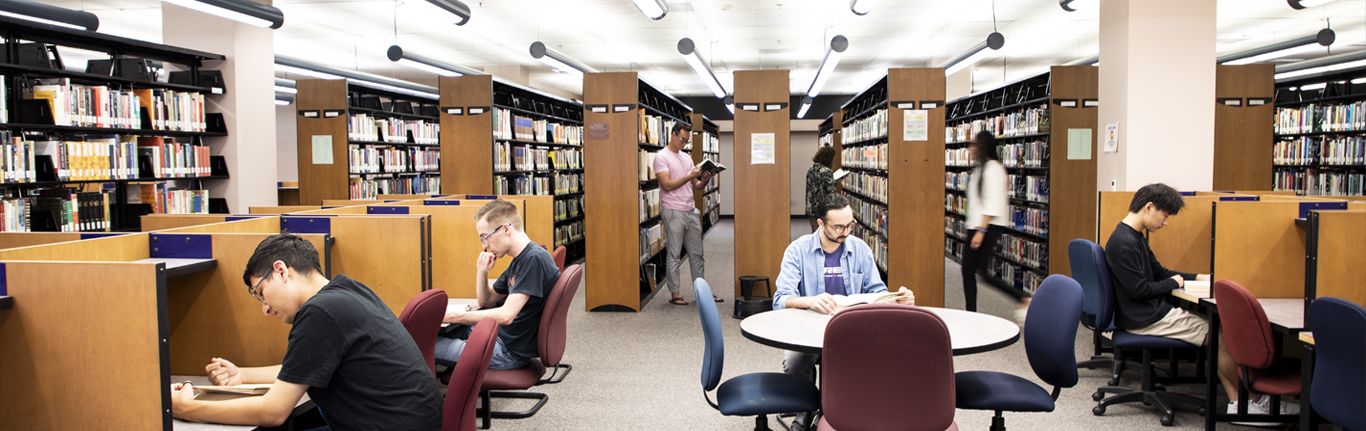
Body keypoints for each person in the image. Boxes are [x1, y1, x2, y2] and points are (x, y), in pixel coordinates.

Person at [170, 234, 442, 431]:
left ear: (280, 271)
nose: (265, 309)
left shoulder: (320, 313)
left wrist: (185, 408)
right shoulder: (347, 290)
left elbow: (273, 412)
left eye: (261, 294)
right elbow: (306, 366)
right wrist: (242, 375)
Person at [1105, 183, 1297, 424]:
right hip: (1144, 318)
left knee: (1218, 333)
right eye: (1165, 216)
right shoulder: (1124, 243)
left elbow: (1160, 272)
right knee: (1219, 335)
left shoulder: (1134, 236)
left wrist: (1196, 278)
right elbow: (1139, 290)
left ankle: (1239, 404)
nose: (1165, 223)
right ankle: (1256, 401)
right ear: (1149, 207)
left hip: (1148, 313)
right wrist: (1174, 283)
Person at [773, 193, 916, 380]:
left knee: (885, 357)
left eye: (850, 225)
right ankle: (805, 408)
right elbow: (780, 300)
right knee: (794, 362)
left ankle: (844, 408)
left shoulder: (860, 249)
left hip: (853, 327)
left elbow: (876, 291)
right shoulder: (797, 250)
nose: (846, 232)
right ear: (821, 223)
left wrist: (897, 299)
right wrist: (811, 301)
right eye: (839, 227)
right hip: (809, 328)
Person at [436, 199, 559, 370]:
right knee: (426, 336)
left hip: (508, 352)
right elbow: (485, 301)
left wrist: (450, 316)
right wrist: (482, 270)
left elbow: (506, 315)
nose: (484, 246)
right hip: (499, 337)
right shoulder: (520, 259)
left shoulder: (533, 259)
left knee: (420, 346)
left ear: (506, 229)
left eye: (485, 238)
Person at [960, 131, 1031, 319]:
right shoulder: (981, 168)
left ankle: (972, 315)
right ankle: (1021, 298)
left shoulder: (994, 169)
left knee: (972, 271)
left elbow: (992, 203)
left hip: (985, 228)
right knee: (979, 272)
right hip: (977, 227)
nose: (971, 148)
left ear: (984, 147)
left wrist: (981, 231)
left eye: (975, 145)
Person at [653, 122, 718, 306]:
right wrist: (690, 176)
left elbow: (695, 186)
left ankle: (701, 292)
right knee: (674, 254)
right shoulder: (661, 157)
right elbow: (667, 185)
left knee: (697, 253)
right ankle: (675, 294)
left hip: (691, 210)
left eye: (687, 140)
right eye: (682, 139)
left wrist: (704, 179)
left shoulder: (686, 157)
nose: (684, 143)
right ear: (672, 135)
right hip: (673, 211)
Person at [805, 145, 838, 232]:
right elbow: (830, 189)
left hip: (811, 206)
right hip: (823, 207)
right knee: (823, 231)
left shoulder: (810, 170)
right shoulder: (827, 171)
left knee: (814, 231)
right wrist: (836, 181)